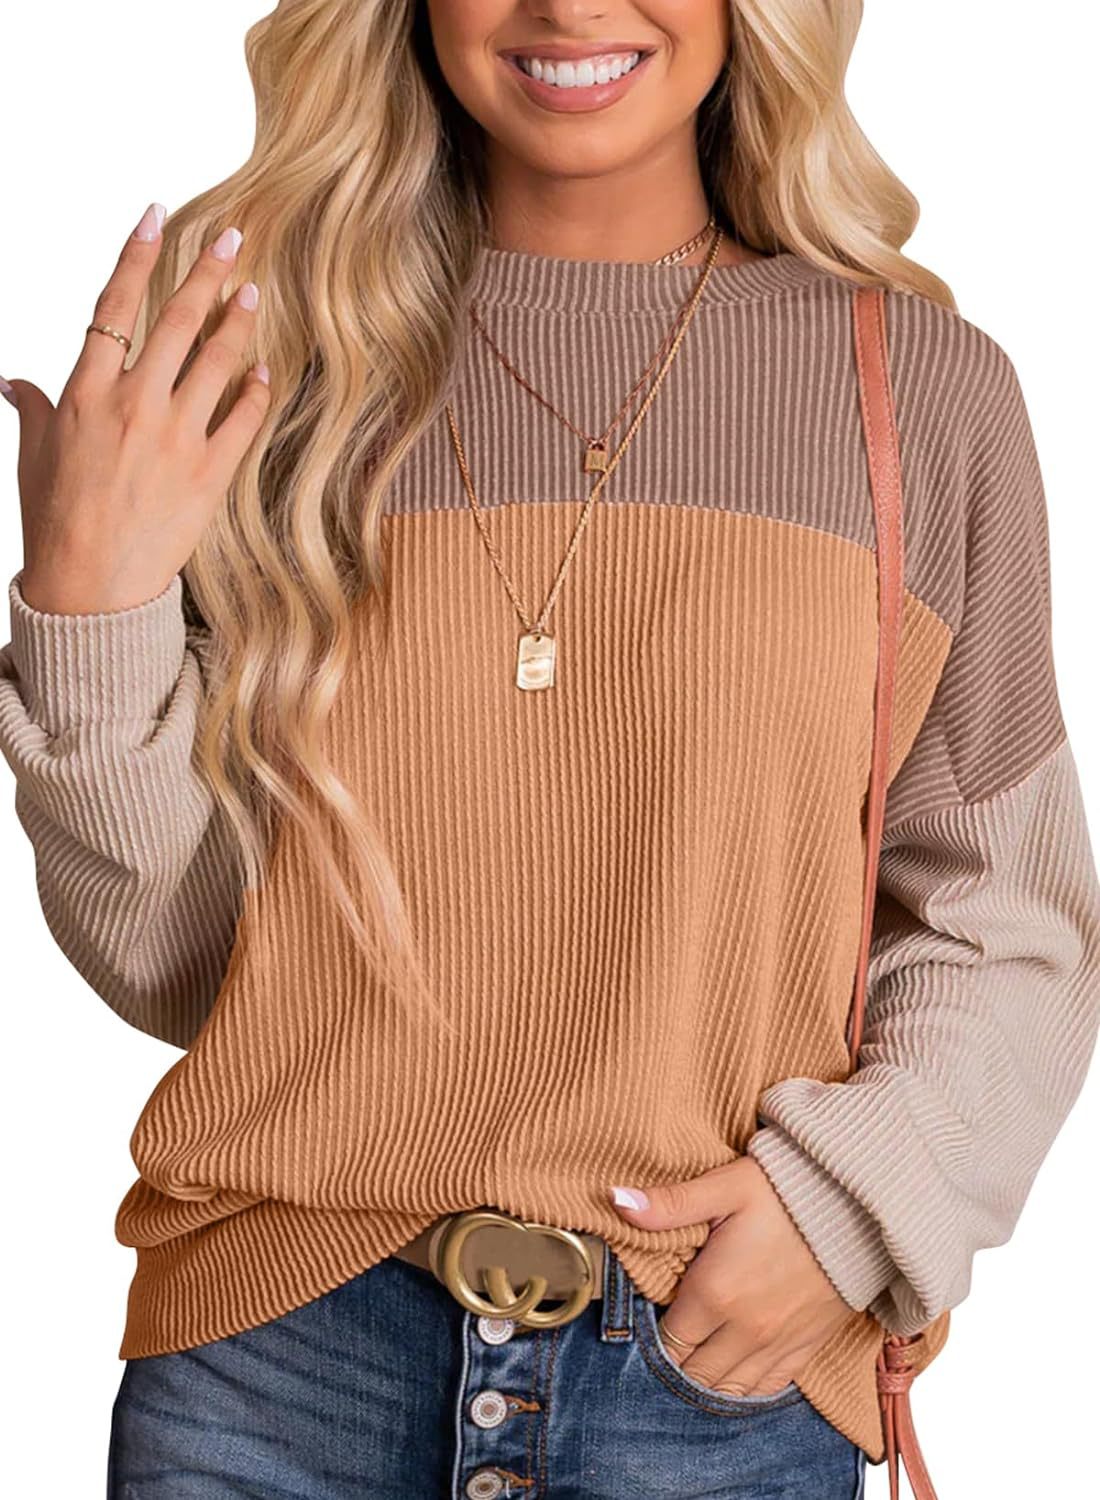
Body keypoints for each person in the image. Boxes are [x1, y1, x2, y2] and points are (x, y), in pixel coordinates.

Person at [1, 2, 1098, 1496]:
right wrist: (90, 614)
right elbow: (186, 966)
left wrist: (847, 1209)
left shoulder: (916, 391)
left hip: (710, 1385)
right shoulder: (259, 376)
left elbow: (1008, 919)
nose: (569, 7)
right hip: (273, 1374)